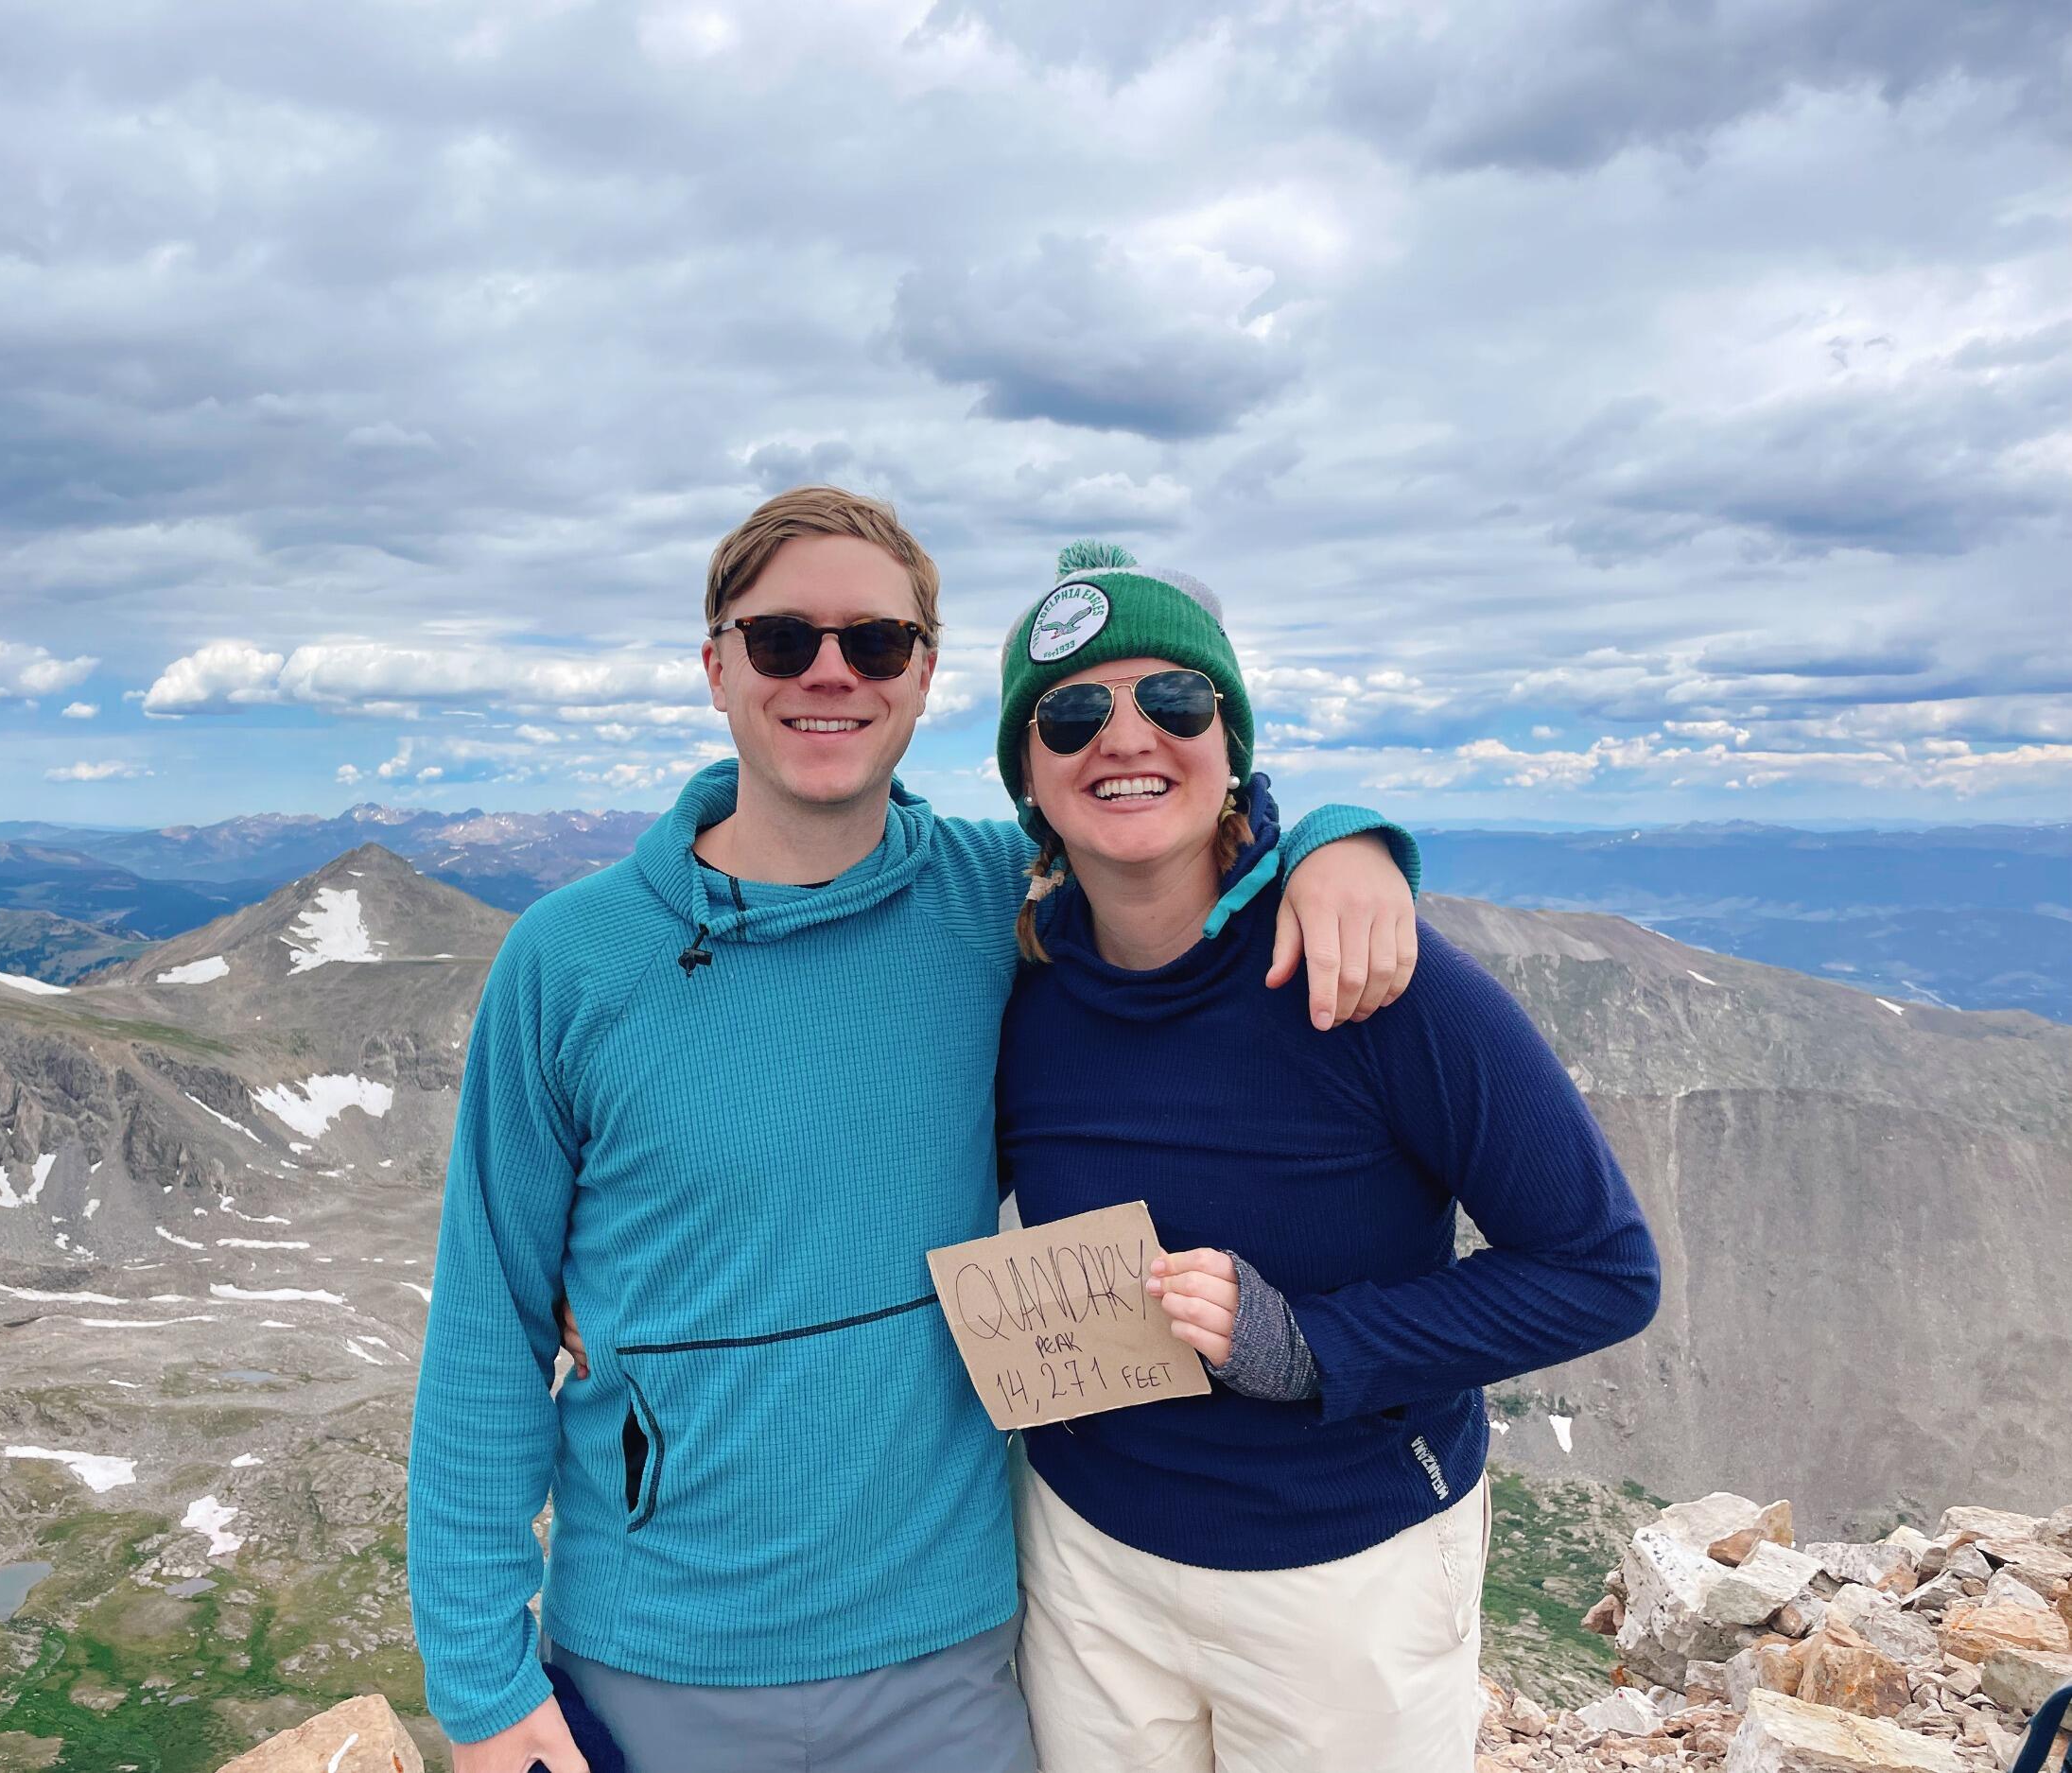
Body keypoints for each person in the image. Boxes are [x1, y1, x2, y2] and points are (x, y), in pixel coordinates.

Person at [406, 490, 1425, 1773]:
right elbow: (487, 1331)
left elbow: (1160, 827)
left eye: (874, 644)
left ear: (925, 675)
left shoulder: (999, 898)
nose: (828, 673)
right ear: (716, 666)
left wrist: (1342, 843)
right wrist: (482, 1691)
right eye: (782, 641)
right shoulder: (566, 961)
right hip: (651, 1662)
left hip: (947, 1662)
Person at [992, 543, 1663, 1773]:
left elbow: (1602, 1268)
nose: (1126, 736)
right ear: (1027, 777)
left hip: (1338, 1573)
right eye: (1073, 712)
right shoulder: (1017, 978)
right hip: (1086, 1557)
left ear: (1232, 742)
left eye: (1176, 701)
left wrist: (1313, 1349)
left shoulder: (1373, 979)